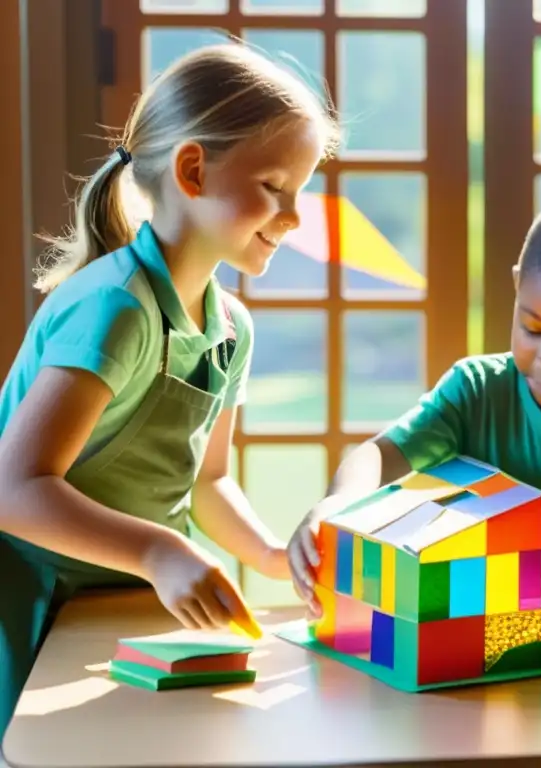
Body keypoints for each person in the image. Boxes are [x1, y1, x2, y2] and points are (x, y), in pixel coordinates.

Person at [0, 42, 338, 737]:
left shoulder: (232, 329)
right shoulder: (115, 310)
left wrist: (277, 559)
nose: (295, 217)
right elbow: (14, 490)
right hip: (29, 611)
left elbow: (208, 484)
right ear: (192, 170)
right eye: (275, 187)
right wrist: (163, 552)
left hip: (118, 609)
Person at [287, 190, 541, 617]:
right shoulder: (475, 391)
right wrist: (336, 506)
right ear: (516, 287)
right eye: (532, 328)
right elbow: (381, 454)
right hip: (465, 634)